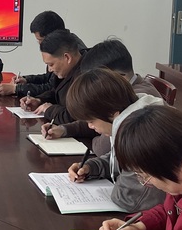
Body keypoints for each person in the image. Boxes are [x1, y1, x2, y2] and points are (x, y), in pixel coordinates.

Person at [62, 68, 165, 211]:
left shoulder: (141, 133)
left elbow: (130, 199)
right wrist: (91, 167)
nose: (90, 126)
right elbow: (119, 159)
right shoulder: (133, 114)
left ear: (111, 111)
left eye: (91, 121)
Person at [42, 38, 161, 150]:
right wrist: (64, 129)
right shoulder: (124, 92)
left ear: (113, 77)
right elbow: (96, 118)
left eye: (95, 84)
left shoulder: (134, 103)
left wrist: (94, 139)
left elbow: (102, 148)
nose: (93, 90)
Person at [0, 10, 67, 96]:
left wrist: (16, 89)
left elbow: (51, 89)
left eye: (41, 40)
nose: (40, 45)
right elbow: (49, 78)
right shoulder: (62, 45)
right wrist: (27, 79)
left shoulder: (67, 51)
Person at [20, 29, 85, 123]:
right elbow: (56, 92)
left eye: (51, 64)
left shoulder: (87, 76)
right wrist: (39, 100)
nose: (50, 70)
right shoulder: (67, 70)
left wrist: (50, 110)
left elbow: (77, 117)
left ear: (67, 58)